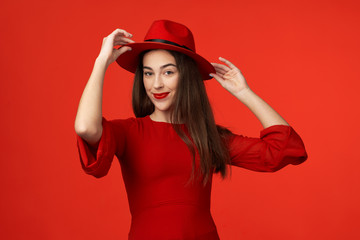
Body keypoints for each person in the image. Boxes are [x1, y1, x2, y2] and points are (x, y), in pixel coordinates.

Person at [74, 20, 308, 240]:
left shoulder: (207, 138)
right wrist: (101, 63)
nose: (156, 84)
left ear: (186, 77)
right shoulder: (128, 132)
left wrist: (243, 93)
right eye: (148, 73)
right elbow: (85, 127)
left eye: (168, 72)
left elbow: (285, 148)